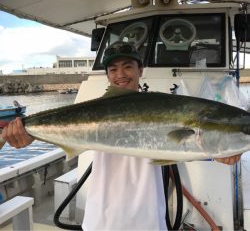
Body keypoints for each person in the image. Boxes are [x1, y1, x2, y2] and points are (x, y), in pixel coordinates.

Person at [2, 41, 241, 230]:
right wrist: (28, 134)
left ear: (140, 70)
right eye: (113, 69)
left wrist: (221, 153)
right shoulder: (94, 109)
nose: (120, 74)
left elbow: (191, 147)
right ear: (107, 75)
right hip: (101, 219)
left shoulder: (161, 106)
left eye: (128, 66)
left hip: (147, 220)